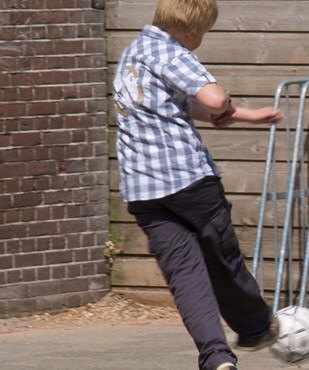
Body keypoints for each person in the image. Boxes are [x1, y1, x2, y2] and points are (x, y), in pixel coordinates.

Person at [112, 1, 283, 369]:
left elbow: (176, 105)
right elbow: (214, 98)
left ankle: (216, 358)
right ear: (191, 31)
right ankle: (255, 327)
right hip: (187, 179)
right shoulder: (171, 51)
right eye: (202, 34)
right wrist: (225, 103)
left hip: (144, 190)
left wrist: (245, 116)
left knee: (184, 273)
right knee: (223, 258)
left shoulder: (133, 54)